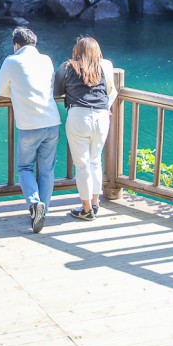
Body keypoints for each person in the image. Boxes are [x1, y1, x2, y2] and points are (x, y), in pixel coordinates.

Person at [0, 27, 61, 233]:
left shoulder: (11, 61)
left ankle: (35, 205)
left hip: (29, 125)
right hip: (52, 121)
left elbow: (1, 90)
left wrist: (16, 91)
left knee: (25, 168)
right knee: (47, 170)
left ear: (16, 45)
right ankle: (43, 210)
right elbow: (52, 84)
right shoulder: (46, 60)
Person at [53, 36, 117, 222]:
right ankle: (95, 204)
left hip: (79, 116)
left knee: (82, 165)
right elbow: (112, 90)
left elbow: (56, 91)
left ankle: (86, 209)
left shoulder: (68, 66)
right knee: (95, 161)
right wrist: (105, 106)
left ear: (77, 51)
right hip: (101, 116)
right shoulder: (106, 65)